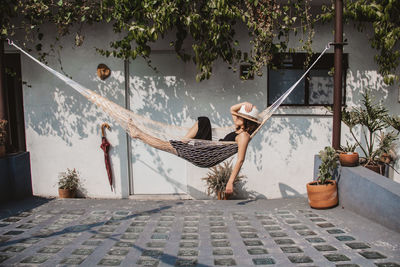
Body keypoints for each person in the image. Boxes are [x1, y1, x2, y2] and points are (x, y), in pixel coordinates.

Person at [128, 102, 261, 195]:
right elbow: (232, 109)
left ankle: (138, 134)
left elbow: (240, 160)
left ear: (247, 121)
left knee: (167, 145)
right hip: (209, 149)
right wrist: (245, 103)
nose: (236, 116)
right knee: (204, 121)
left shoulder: (243, 136)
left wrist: (230, 182)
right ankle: (183, 141)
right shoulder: (238, 130)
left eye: (240, 116)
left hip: (208, 155)